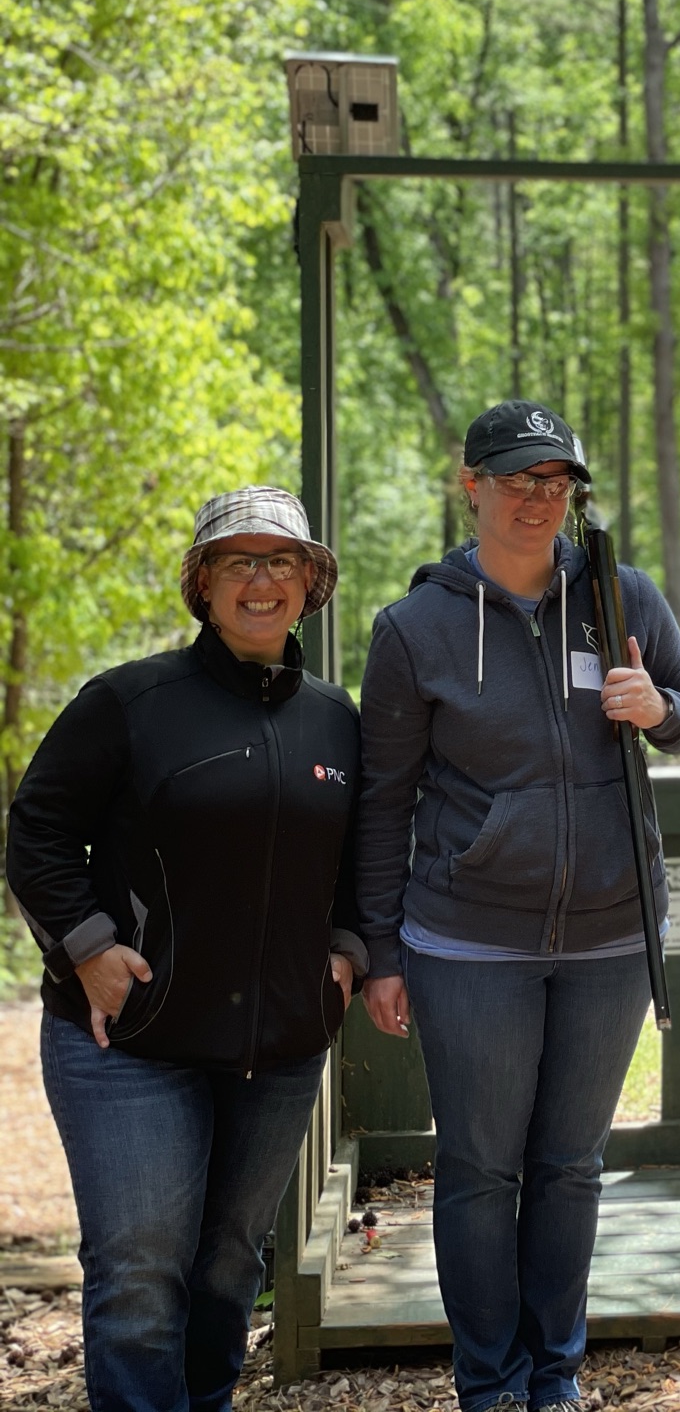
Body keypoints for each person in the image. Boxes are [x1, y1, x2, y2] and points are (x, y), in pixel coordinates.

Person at [355, 400, 680, 1412]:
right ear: (468, 485)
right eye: (514, 481)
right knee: (478, 1170)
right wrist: (382, 949)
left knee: (569, 1168)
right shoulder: (414, 629)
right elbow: (382, 805)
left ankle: (552, 1377)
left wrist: (659, 711)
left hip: (605, 939)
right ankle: (489, 1383)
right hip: (465, 943)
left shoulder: (621, 596)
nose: (534, 501)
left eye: (553, 484)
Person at [8, 486, 361, 1412]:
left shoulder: (336, 720)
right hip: (133, 1041)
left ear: (309, 584)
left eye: (280, 560)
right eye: (236, 561)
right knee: (138, 1272)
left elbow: (367, 855)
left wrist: (348, 949)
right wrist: (87, 947)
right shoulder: (129, 701)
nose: (260, 579)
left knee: (227, 1267)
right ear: (201, 584)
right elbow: (36, 833)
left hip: (277, 1050)